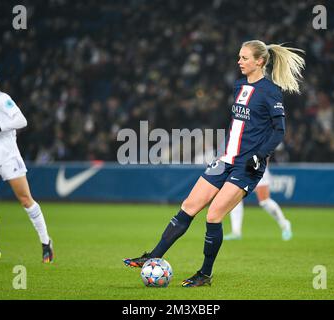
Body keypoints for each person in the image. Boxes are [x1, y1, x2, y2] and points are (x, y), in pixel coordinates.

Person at [123, 40, 304, 287]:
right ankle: (153, 256)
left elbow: (278, 131)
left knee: (214, 215)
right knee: (188, 205)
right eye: (239, 57)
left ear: (259, 61)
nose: (239, 61)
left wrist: (259, 156)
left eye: (244, 58)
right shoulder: (239, 85)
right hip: (225, 159)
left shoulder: (271, 91)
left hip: (247, 166)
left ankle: (205, 274)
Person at [0, 59, 54, 262]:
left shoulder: (2, 99)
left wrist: (0, 127)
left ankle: (45, 241)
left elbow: (21, 120)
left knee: (25, 200)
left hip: (7, 155)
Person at [224, 165, 292, 241]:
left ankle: (284, 224)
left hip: (257, 165)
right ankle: (236, 232)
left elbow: (266, 153)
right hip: (241, 166)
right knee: (235, 197)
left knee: (264, 201)